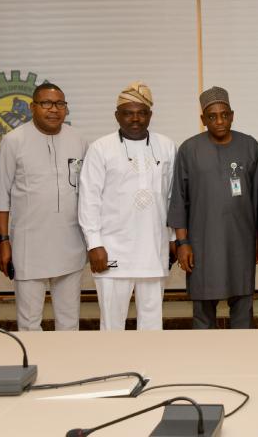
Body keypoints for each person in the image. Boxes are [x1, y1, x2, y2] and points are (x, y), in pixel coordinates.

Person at [78, 82, 177, 330]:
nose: (135, 118)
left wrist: (173, 237)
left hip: (154, 248)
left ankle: (149, 367)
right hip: (111, 250)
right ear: (117, 115)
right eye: (128, 112)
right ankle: (114, 366)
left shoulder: (166, 146)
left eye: (142, 112)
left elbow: (172, 196)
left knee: (152, 322)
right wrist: (94, 243)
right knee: (112, 324)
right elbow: (89, 198)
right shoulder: (101, 148)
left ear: (150, 115)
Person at [0, 82, 88, 331]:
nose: (53, 109)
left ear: (66, 109)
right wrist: (3, 240)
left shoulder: (78, 140)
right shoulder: (13, 141)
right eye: (46, 103)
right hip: (29, 245)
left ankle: (69, 368)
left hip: (70, 241)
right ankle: (35, 367)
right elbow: (1, 194)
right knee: (29, 321)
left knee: (69, 321)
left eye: (59, 104)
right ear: (32, 107)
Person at [167, 86, 258, 329]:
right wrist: (182, 243)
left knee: (243, 310)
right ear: (203, 120)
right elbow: (179, 198)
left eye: (224, 114)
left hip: (241, 242)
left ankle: (242, 362)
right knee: (203, 314)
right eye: (212, 116)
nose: (219, 121)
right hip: (202, 244)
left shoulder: (250, 146)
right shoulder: (189, 149)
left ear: (232, 115)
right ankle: (203, 363)